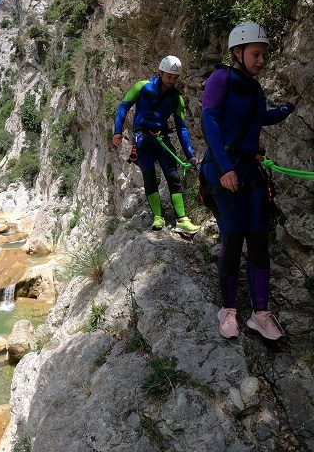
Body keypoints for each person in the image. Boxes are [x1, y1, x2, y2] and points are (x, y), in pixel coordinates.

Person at [200, 22, 299, 340]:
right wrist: (225, 167)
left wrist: (286, 109)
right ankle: (227, 310)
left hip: (249, 172)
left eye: (263, 55)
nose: (261, 61)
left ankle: (260, 314)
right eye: (256, 54)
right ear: (237, 52)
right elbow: (210, 120)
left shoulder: (255, 90)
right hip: (222, 169)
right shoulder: (221, 79)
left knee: (258, 238)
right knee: (233, 238)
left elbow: (260, 118)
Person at [113, 56, 200, 234]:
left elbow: (182, 128)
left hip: (162, 139)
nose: (172, 81)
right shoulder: (142, 86)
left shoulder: (177, 99)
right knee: (149, 176)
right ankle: (157, 217)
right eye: (169, 77)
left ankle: (182, 220)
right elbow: (123, 107)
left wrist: (190, 154)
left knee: (173, 176)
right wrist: (117, 131)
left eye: (176, 78)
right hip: (143, 139)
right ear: (160, 73)